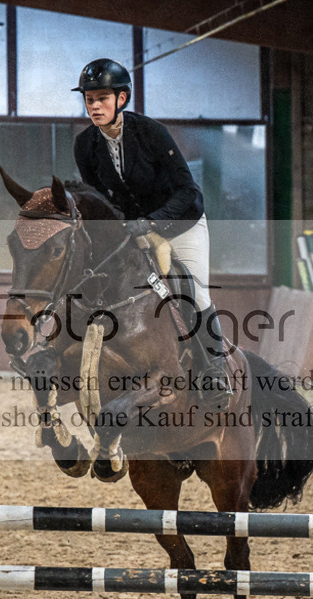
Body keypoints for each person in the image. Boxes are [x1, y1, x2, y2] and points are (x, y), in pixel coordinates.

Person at [71, 57, 233, 405]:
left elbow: (189, 192)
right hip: (134, 231)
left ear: (122, 99)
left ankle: (214, 371)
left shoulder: (151, 133)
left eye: (101, 98)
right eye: (89, 99)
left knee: (195, 291)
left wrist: (154, 221)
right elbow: (98, 199)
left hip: (180, 223)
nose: (94, 106)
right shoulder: (85, 145)